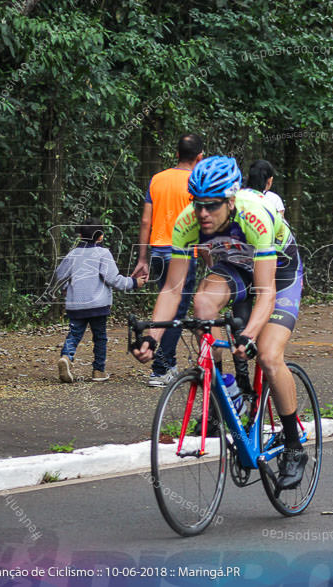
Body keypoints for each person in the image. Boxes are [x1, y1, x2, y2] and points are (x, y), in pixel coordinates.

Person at [132, 156, 307, 488]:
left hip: (279, 274)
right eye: (197, 205)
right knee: (201, 301)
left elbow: (266, 292)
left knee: (269, 355)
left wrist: (251, 335)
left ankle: (295, 446)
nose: (202, 214)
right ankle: (227, 387)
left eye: (211, 206)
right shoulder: (187, 222)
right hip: (235, 267)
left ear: (230, 200)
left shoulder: (254, 216)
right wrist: (152, 336)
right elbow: (172, 289)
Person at [132, 134, 204, 386]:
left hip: (158, 250)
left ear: (176, 154)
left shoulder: (157, 179)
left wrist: (142, 257)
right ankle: (162, 368)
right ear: (199, 157)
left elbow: (145, 221)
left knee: (168, 303)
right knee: (178, 310)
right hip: (183, 252)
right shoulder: (196, 182)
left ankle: (166, 362)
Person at [55, 218, 147, 383]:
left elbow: (60, 275)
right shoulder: (103, 253)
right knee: (100, 337)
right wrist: (134, 283)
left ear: (80, 235)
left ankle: (66, 358)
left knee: (74, 334)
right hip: (98, 305)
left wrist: (66, 288)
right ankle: (98, 371)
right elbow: (113, 279)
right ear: (101, 237)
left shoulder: (73, 254)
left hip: (76, 304)